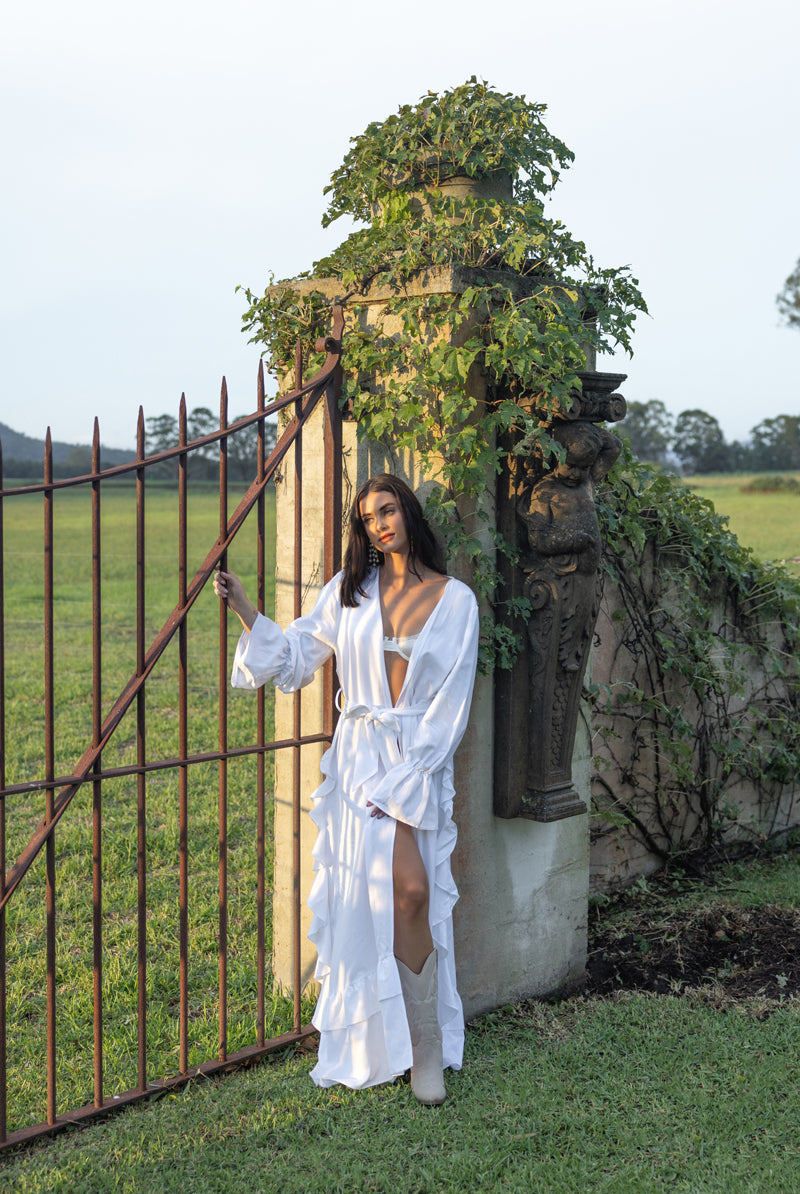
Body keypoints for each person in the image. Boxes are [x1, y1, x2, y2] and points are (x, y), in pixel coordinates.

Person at [213, 474, 479, 1104]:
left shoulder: (457, 599)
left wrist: (410, 777)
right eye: (367, 518)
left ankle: (427, 1050)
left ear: (408, 513)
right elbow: (298, 657)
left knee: (413, 893)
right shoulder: (348, 593)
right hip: (358, 761)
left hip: (413, 761)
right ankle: (372, 1045)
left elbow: (451, 705)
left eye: (388, 510)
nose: (379, 524)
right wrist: (248, 610)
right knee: (366, 904)